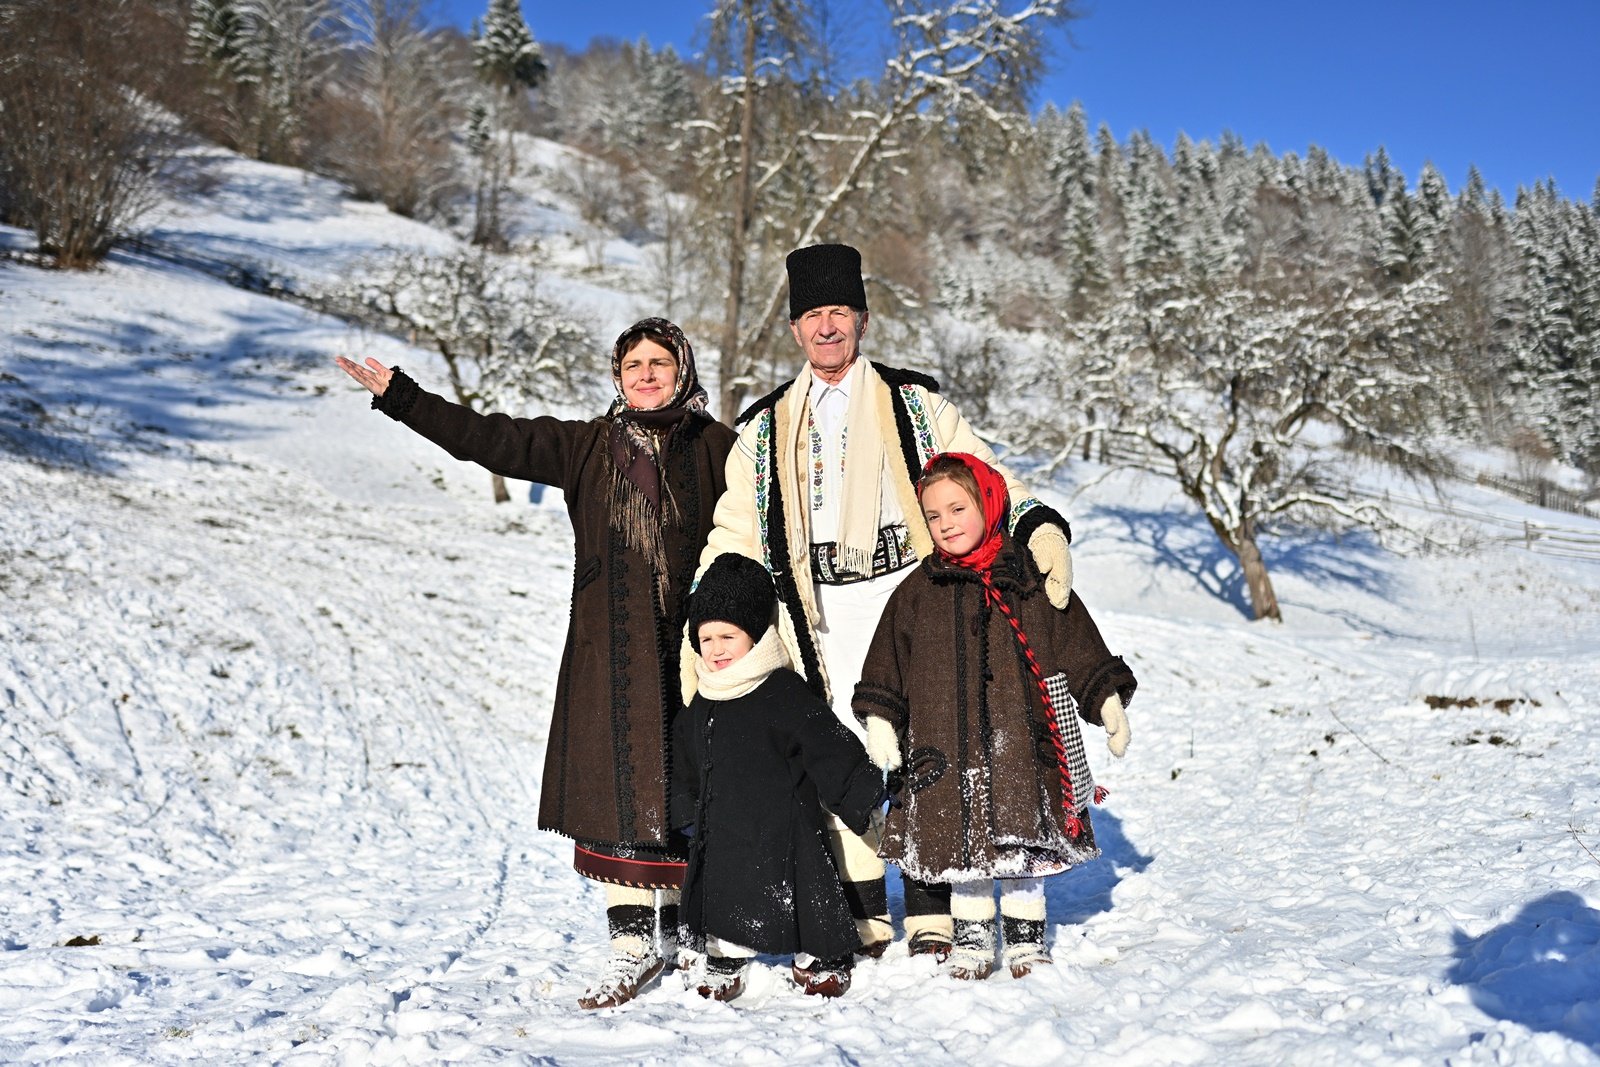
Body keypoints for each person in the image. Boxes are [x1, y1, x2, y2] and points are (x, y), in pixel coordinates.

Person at [686, 243, 1077, 962]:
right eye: (812, 315)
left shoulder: (915, 405)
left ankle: (931, 902)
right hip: (818, 606)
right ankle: (865, 906)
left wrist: (1037, 522)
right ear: (795, 328)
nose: (826, 327)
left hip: (909, 594)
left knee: (932, 735)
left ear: (863, 319)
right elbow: (734, 528)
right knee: (841, 746)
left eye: (839, 311)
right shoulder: (764, 427)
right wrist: (710, 612)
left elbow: (981, 475)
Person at [334, 318, 736, 1010]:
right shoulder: (585, 444)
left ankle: (696, 925)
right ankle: (632, 939)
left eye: (659, 362)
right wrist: (404, 397)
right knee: (620, 785)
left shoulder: (719, 447)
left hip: (699, 646)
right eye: (633, 363)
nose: (646, 373)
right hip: (611, 645)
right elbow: (489, 438)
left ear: (684, 370)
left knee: (701, 784)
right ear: (616, 376)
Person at [854, 453, 1136, 979]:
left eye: (957, 508)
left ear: (987, 503)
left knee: (1020, 843)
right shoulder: (919, 590)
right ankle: (974, 939)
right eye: (933, 516)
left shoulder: (1025, 577)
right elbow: (889, 657)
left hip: (1020, 743)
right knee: (963, 851)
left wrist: (1105, 698)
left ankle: (1026, 942)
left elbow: (1071, 638)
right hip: (944, 744)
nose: (946, 524)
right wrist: (881, 719)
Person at [670, 552, 884, 1002]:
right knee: (723, 896)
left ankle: (819, 956)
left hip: (787, 832)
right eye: (705, 638)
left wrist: (861, 794)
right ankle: (726, 957)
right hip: (726, 830)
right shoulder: (702, 701)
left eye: (728, 635)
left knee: (806, 897)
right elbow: (687, 761)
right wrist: (684, 813)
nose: (716, 648)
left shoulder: (783, 691)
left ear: (756, 634)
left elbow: (827, 745)